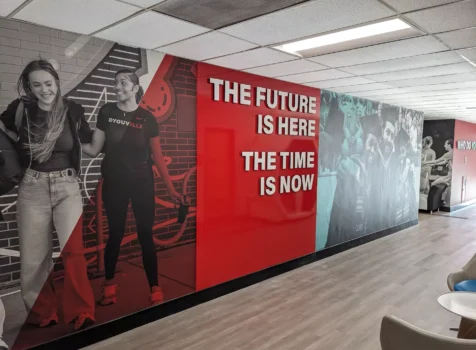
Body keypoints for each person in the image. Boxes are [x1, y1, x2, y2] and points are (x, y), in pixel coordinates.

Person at [0, 59, 95, 331]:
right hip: (32, 187)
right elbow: (4, 134)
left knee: (73, 252)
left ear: (57, 81)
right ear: (29, 87)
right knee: (33, 257)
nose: (45, 90)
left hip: (67, 188)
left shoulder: (72, 110)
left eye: (49, 83)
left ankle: (82, 311)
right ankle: (42, 313)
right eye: (37, 85)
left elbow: (89, 143)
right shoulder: (19, 110)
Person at [82, 69, 183, 306]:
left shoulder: (147, 118)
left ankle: (155, 287)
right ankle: (108, 285)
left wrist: (170, 189)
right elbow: (95, 149)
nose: (118, 86)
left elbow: (157, 155)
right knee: (115, 234)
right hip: (114, 184)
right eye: (116, 82)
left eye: (123, 82)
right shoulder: (107, 112)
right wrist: (67, 141)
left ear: (135, 88)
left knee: (145, 235)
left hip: (142, 184)